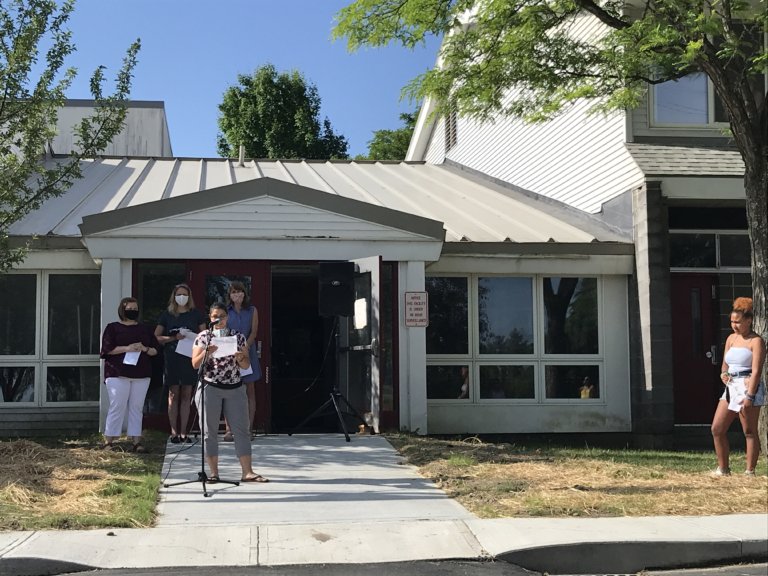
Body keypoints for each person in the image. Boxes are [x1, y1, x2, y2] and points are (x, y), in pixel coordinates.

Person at [192, 303, 268, 483]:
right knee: (209, 432)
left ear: (227, 318)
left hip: (234, 387)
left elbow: (246, 365)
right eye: (215, 316)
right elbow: (195, 364)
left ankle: (247, 472)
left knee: (241, 430)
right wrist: (207, 353)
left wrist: (241, 358)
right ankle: (214, 473)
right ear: (210, 318)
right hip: (210, 386)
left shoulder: (238, 337)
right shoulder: (204, 337)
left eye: (222, 316)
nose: (219, 320)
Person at [711, 297, 766, 476]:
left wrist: (750, 396)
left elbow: (757, 371)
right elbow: (725, 364)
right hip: (731, 387)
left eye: (738, 322)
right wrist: (723, 374)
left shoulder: (756, 341)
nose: (734, 325)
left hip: (748, 386)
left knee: (749, 430)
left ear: (748, 320)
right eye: (732, 321)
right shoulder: (731, 339)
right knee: (717, 428)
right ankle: (723, 468)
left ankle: (749, 470)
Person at [100, 297, 159, 453]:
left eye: (135, 309)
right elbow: (107, 350)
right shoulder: (112, 328)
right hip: (117, 373)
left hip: (141, 373)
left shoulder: (144, 329)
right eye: (130, 309)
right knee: (117, 405)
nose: (133, 311)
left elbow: (155, 350)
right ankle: (109, 442)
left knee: (136, 407)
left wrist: (144, 348)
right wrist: (127, 348)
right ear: (122, 310)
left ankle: (136, 441)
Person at [155, 283, 206, 443]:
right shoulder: (167, 315)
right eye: (179, 294)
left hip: (190, 358)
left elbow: (204, 335)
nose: (182, 297)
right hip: (172, 359)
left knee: (186, 395)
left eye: (185, 294)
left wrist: (193, 336)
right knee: (173, 394)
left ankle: (184, 432)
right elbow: (156, 337)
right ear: (174, 296)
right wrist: (173, 338)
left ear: (189, 297)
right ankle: (174, 432)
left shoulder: (196, 314)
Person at [222, 281, 261, 440]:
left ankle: (248, 429)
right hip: (229, 354)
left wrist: (245, 347)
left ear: (244, 294)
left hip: (247, 352)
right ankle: (229, 429)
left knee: (249, 391)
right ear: (230, 295)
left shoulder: (252, 310)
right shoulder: (226, 311)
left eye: (239, 292)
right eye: (233, 292)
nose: (237, 295)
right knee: (229, 392)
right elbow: (221, 331)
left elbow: (254, 331)